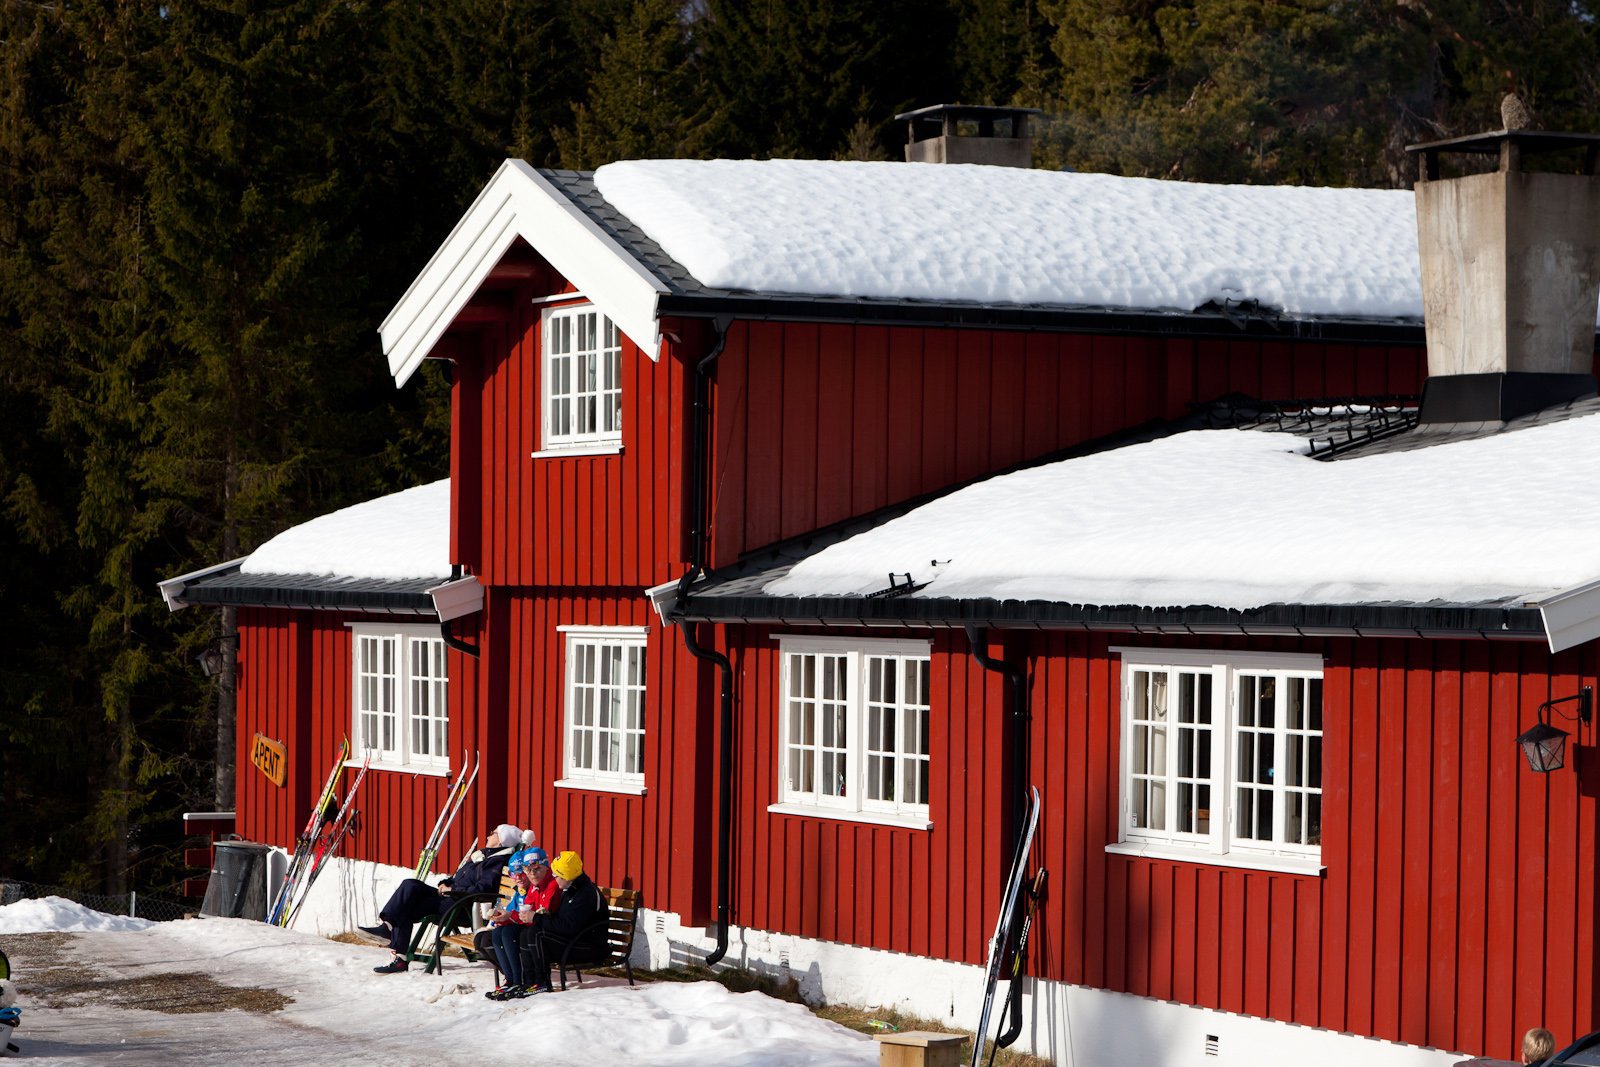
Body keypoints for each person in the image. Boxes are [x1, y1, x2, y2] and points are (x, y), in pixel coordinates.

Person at [363, 822, 523, 974]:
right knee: (410, 885)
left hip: (460, 905)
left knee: (406, 905)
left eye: (493, 833)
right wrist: (445, 883)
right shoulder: (481, 858)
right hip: (451, 898)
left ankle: (397, 954)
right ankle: (388, 927)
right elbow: (457, 878)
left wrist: (453, 889)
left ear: (501, 841)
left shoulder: (495, 863)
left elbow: (483, 889)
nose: (489, 835)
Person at [511, 850, 605, 997]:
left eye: (557, 875)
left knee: (537, 934)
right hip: (575, 940)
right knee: (526, 933)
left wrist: (537, 918)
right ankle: (530, 981)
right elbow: (566, 921)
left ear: (566, 876)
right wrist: (547, 916)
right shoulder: (570, 889)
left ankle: (543, 982)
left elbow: (569, 927)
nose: (554, 877)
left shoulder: (584, 894)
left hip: (589, 947)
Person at [481, 847, 563, 1000]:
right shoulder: (533, 887)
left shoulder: (551, 885)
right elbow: (526, 912)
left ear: (546, 867)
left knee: (512, 933)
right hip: (534, 929)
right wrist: (507, 917)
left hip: (548, 934)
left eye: (537, 869)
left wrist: (513, 917)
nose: (532, 873)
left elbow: (543, 912)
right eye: (528, 870)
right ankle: (512, 979)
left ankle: (521, 980)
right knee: (498, 933)